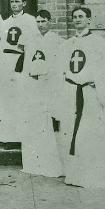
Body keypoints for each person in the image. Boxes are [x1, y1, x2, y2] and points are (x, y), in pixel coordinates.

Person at [63, 6, 105, 188]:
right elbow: (62, 70)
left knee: (90, 135)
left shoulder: (98, 42)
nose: (78, 19)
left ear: (89, 19)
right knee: (75, 135)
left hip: (91, 95)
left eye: (81, 16)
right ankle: (75, 177)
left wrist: (99, 82)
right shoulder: (68, 43)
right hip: (72, 94)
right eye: (75, 17)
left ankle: (94, 177)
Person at [0, 0, 40, 143]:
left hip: (22, 64)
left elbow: (35, 44)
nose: (14, 4)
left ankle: (23, 138)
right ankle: (8, 139)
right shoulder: (4, 23)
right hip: (5, 64)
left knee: (22, 100)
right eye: (12, 2)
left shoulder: (32, 22)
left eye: (17, 2)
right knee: (6, 102)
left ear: (24, 3)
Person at [21, 10, 65, 177]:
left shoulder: (57, 41)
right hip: (35, 88)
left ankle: (52, 165)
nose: (40, 25)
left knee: (50, 125)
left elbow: (59, 66)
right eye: (38, 22)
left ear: (50, 22)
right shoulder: (32, 42)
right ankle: (37, 163)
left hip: (50, 87)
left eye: (43, 21)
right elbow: (27, 66)